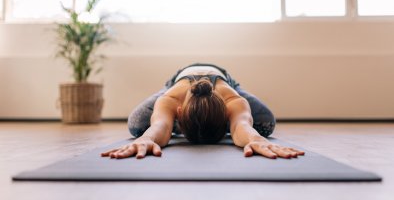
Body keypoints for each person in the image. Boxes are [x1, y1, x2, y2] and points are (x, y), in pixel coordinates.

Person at [101, 63, 304, 159]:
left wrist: (255, 139)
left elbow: (241, 125)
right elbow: (160, 126)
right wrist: (147, 138)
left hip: (225, 80)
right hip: (178, 81)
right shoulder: (170, 98)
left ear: (227, 114)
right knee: (138, 125)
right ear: (178, 113)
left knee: (265, 124)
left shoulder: (232, 99)